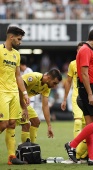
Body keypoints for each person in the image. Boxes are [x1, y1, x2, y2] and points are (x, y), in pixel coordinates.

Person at [64, 29, 93, 166]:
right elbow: (84, 74)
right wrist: (90, 93)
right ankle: (72, 145)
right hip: (89, 88)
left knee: (90, 125)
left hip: (87, 88)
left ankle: (92, 158)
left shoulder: (85, 50)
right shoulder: (86, 50)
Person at [0, 26, 30, 165]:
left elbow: (18, 76)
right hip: (1, 92)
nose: (20, 42)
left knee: (12, 124)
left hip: (13, 93)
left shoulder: (16, 55)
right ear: (11, 37)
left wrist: (24, 93)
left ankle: (12, 157)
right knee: (3, 123)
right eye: (19, 39)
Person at [61, 42, 88, 164]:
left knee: (87, 126)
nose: (80, 52)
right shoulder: (72, 64)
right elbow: (68, 82)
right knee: (78, 122)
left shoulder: (92, 62)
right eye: (78, 50)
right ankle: (74, 151)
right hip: (76, 97)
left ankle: (83, 154)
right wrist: (64, 98)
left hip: (89, 97)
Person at [18, 68, 62, 143]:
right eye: (54, 83)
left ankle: (32, 147)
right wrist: (24, 108)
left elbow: (45, 106)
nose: (54, 86)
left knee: (36, 122)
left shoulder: (47, 87)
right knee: (23, 124)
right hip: (14, 98)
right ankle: (25, 150)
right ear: (48, 78)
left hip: (22, 102)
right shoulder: (34, 77)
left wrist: (49, 126)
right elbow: (19, 89)